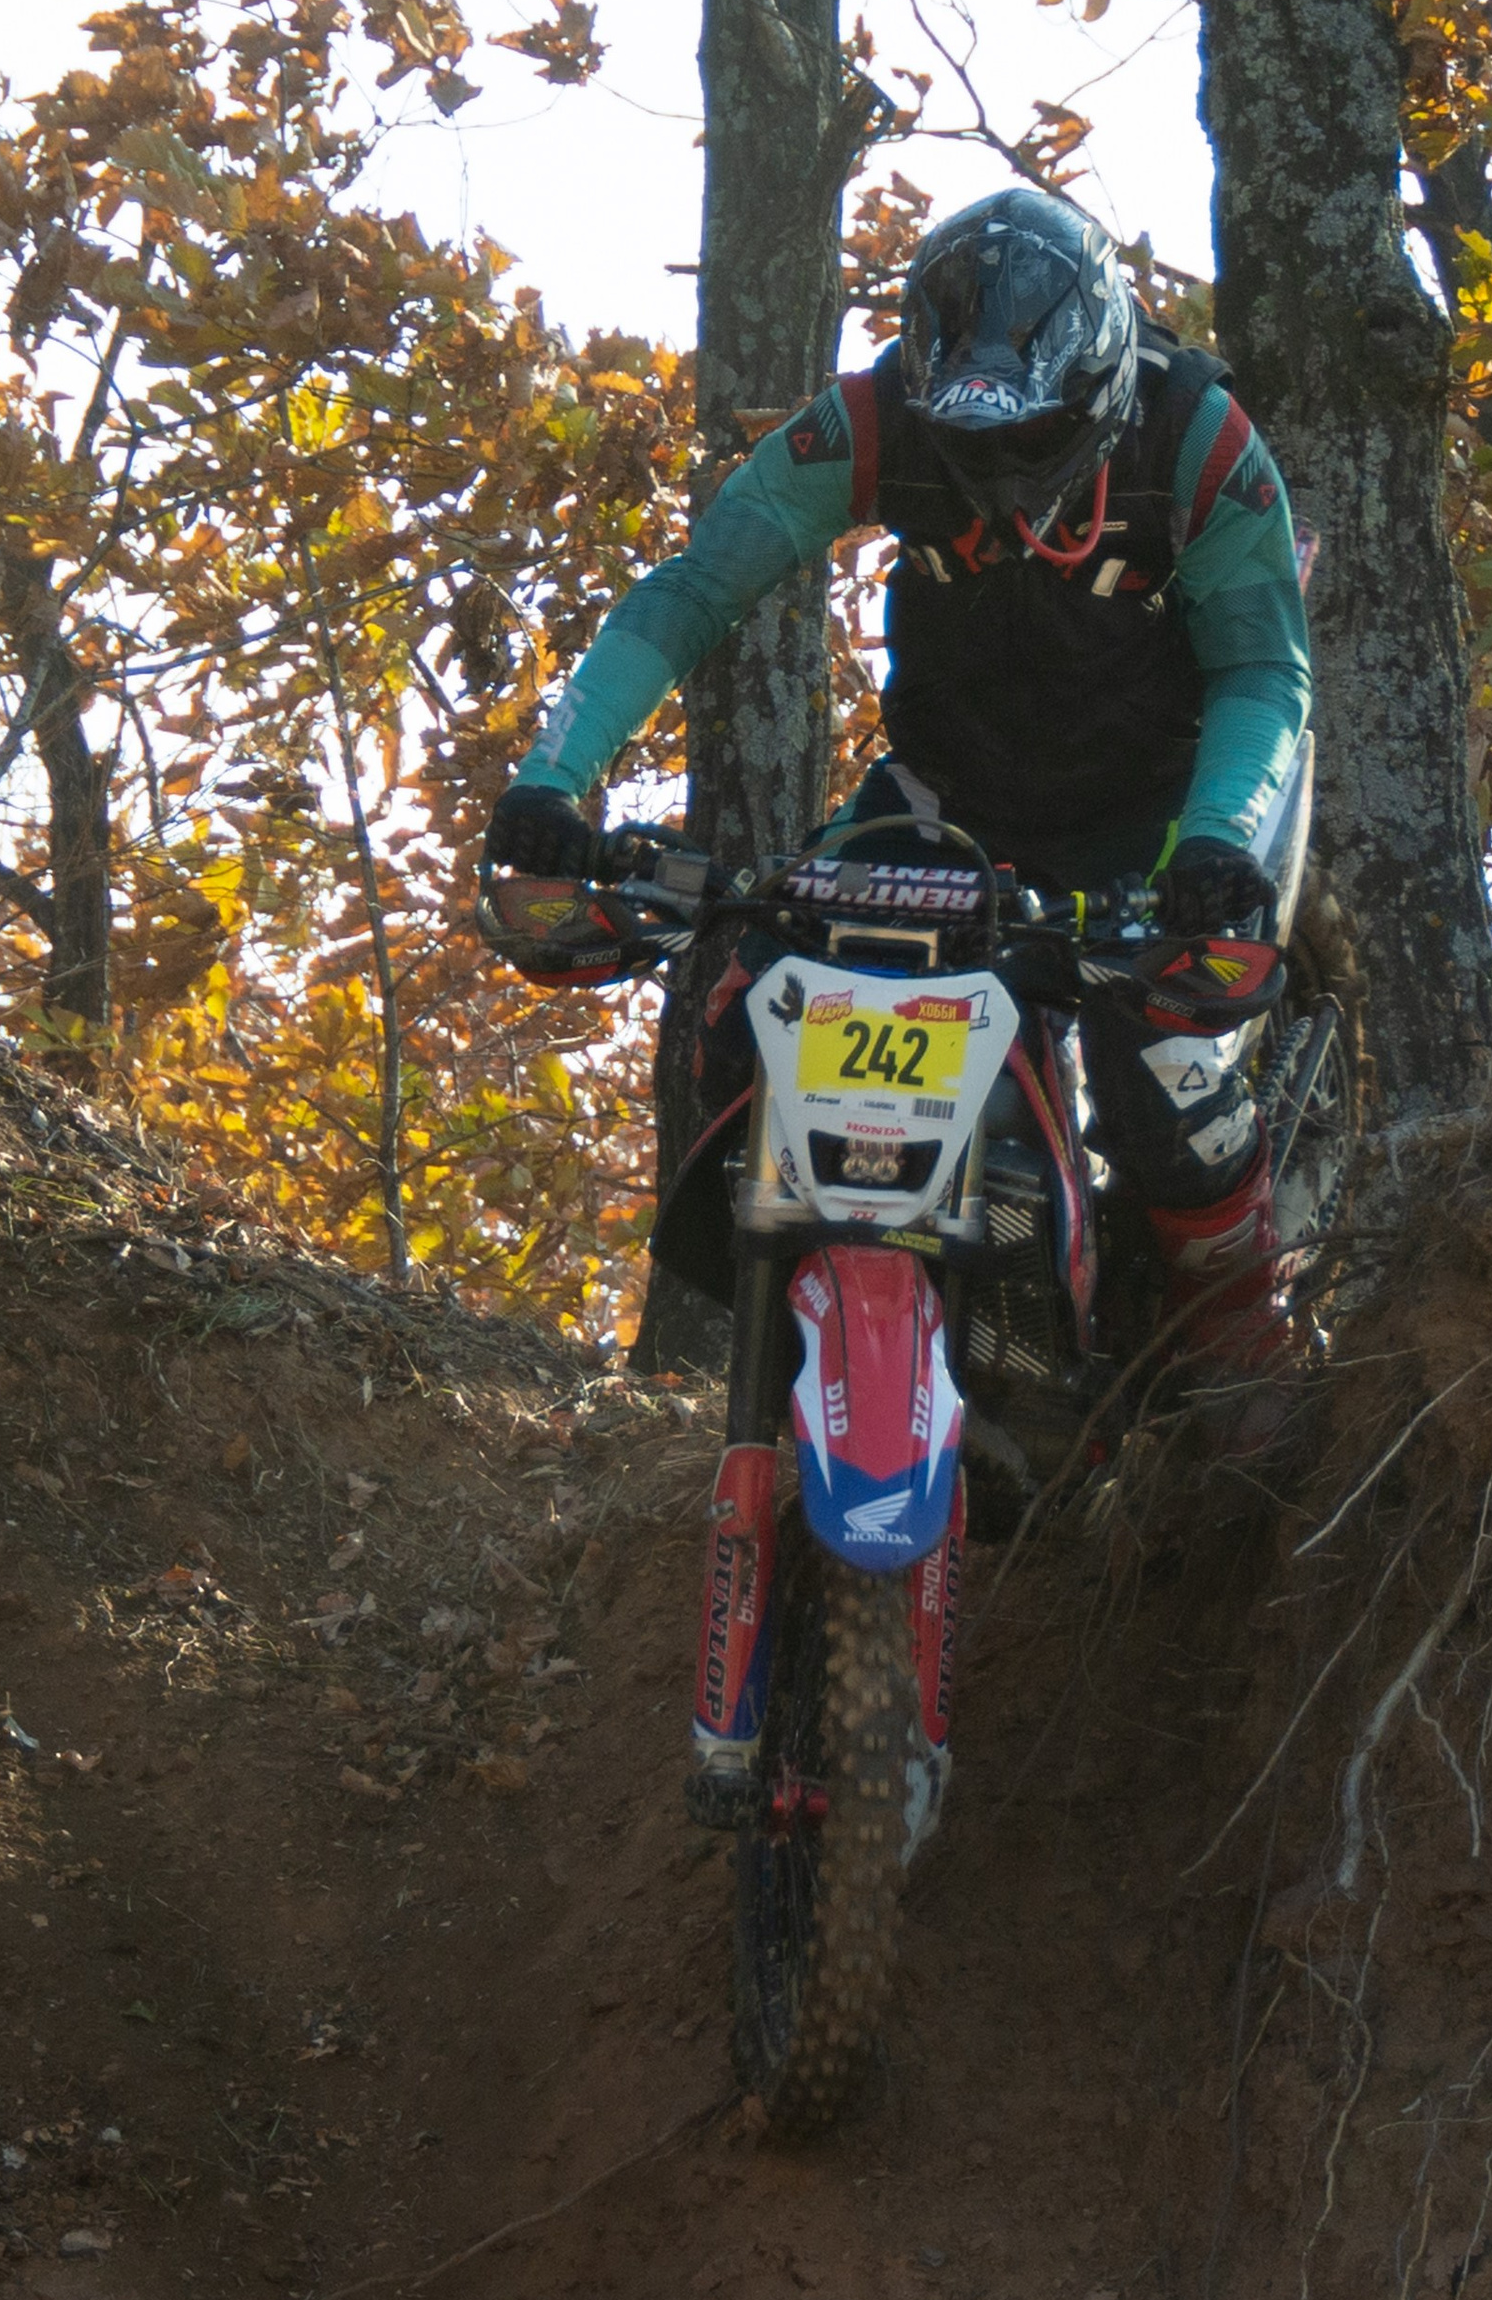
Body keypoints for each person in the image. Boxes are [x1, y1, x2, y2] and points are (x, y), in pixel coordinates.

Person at [483, 182, 1316, 1412]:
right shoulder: (872, 422)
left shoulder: (1196, 442)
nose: (995, 477)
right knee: (750, 992)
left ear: (1096, 398)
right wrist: (555, 776)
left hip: (1169, 811)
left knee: (1164, 1074)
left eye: (1027, 445)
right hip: (948, 798)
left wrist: (1216, 845)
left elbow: (1260, 669)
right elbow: (691, 591)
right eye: (968, 446)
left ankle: (1253, 1362)